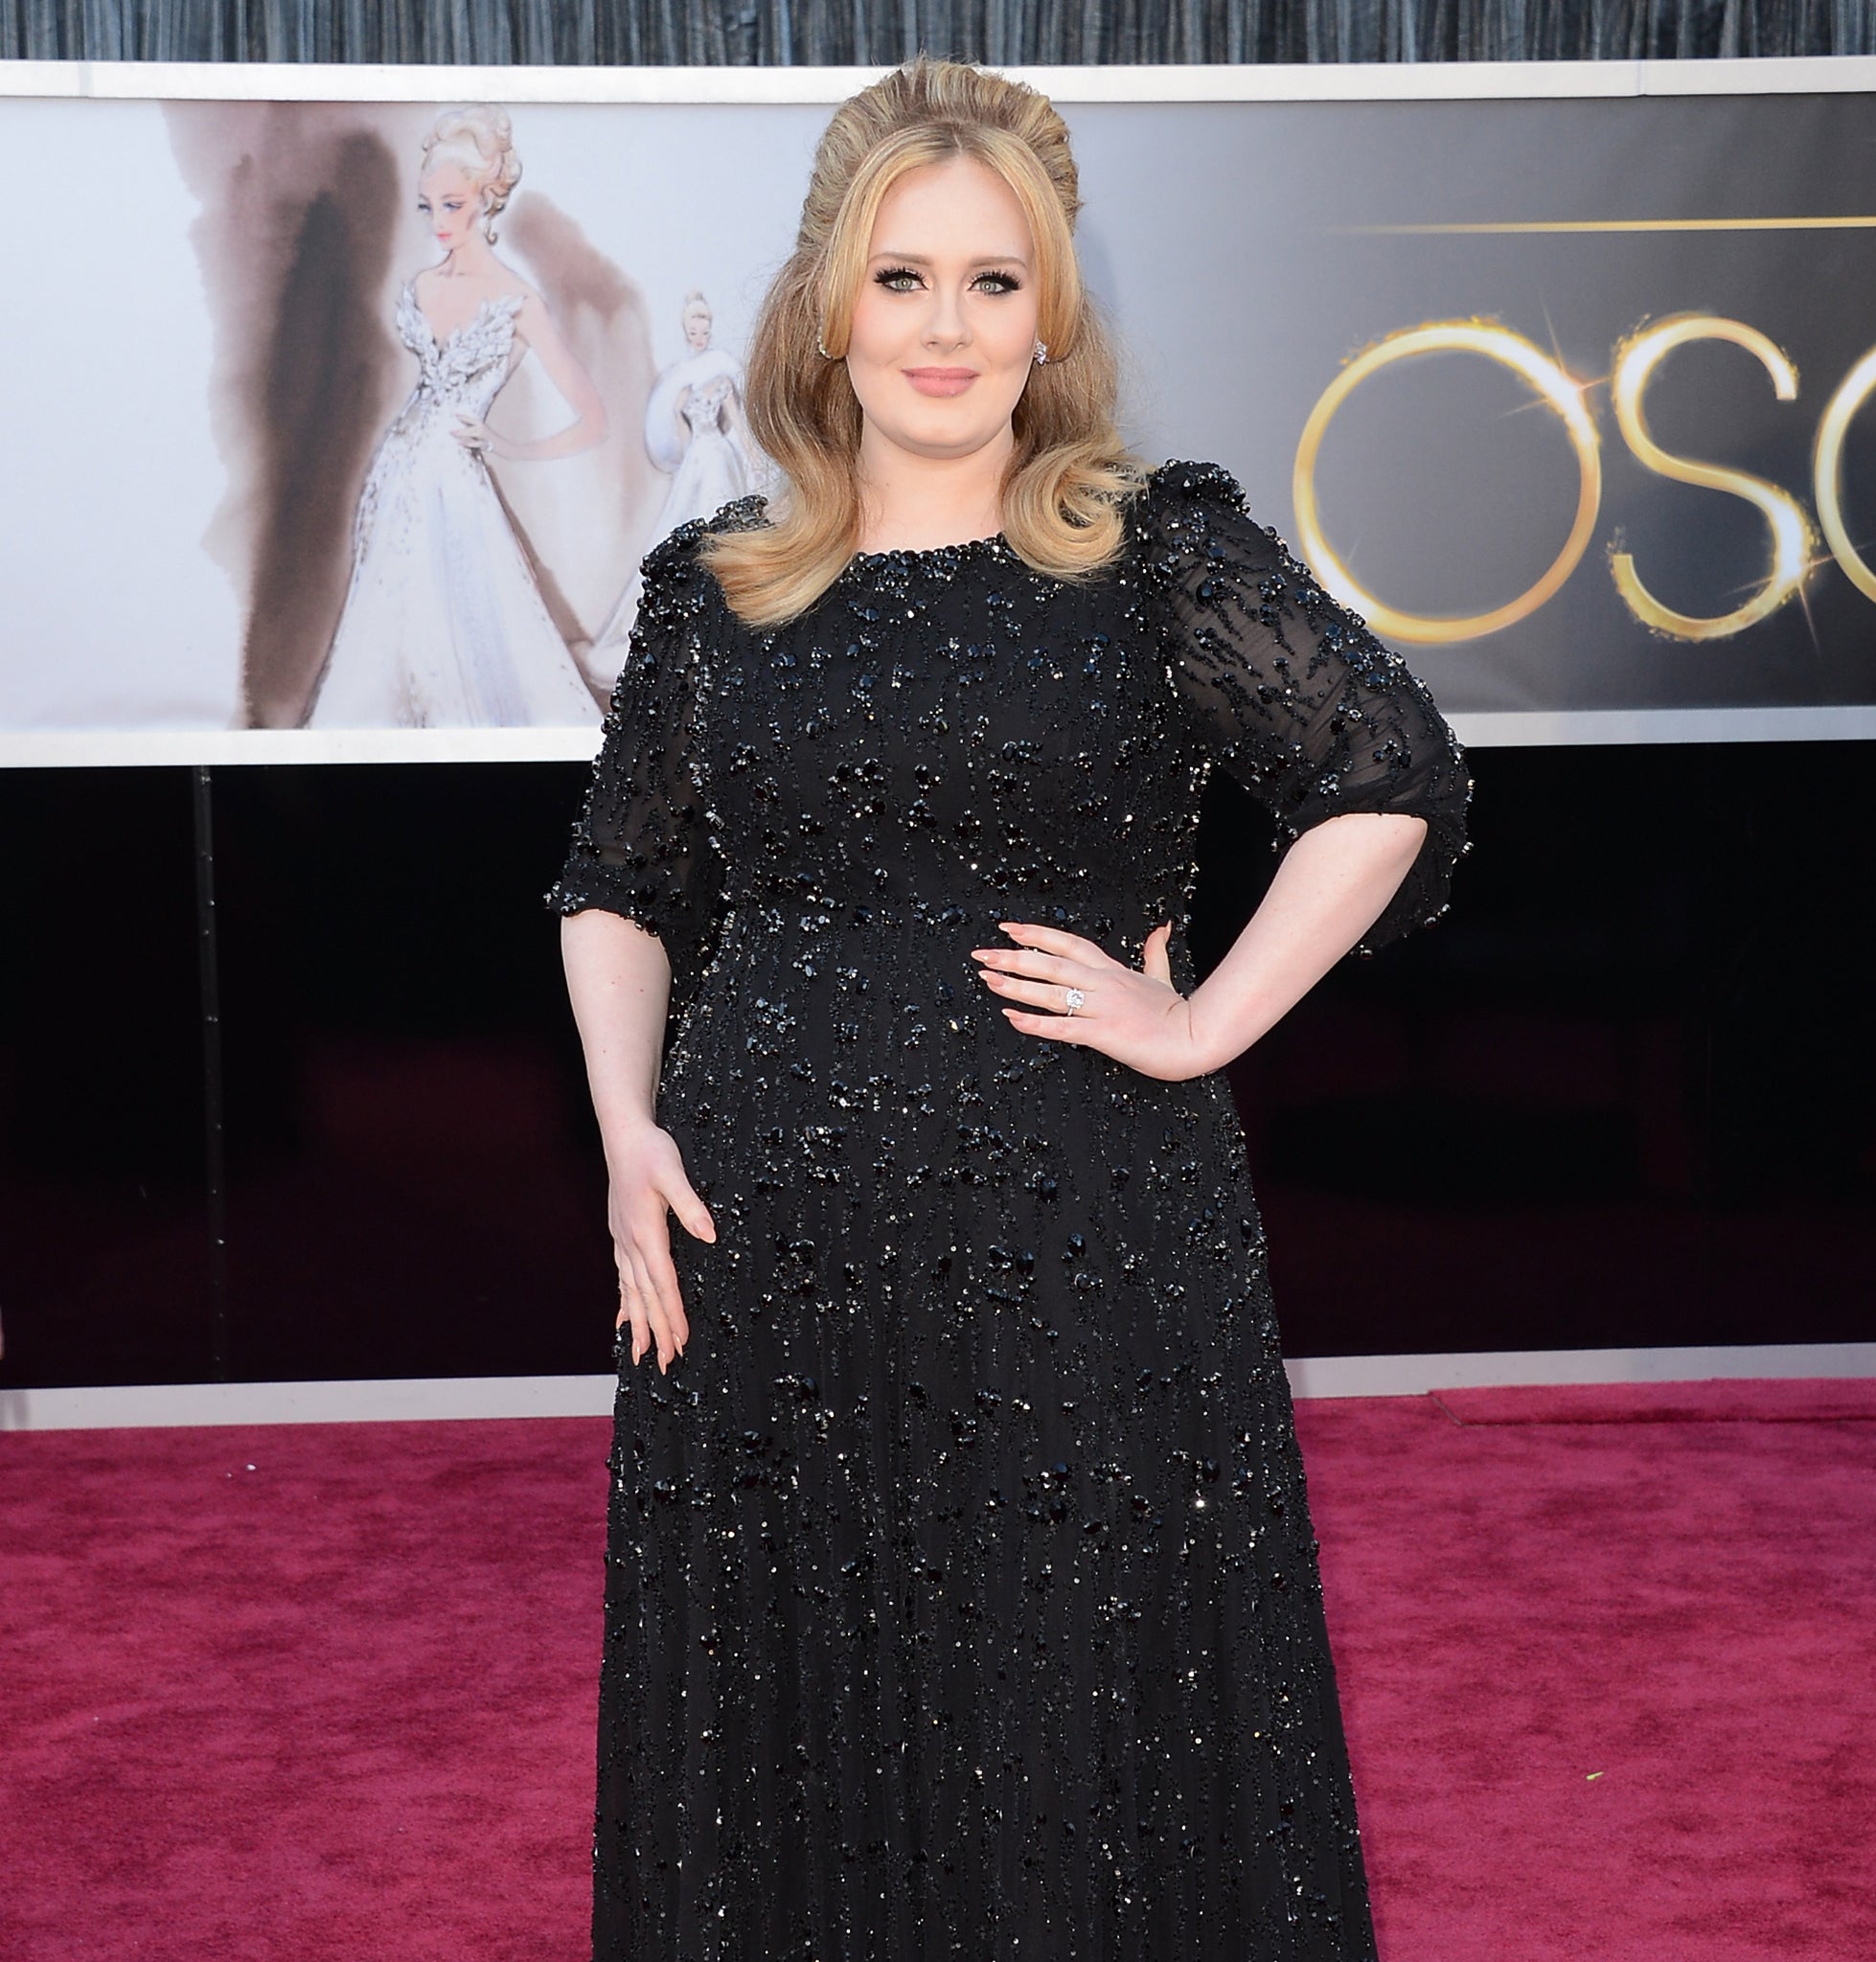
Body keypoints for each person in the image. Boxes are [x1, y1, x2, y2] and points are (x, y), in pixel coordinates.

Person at [549, 57, 1470, 1962]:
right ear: (829, 304)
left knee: (1068, 1706)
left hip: (1082, 1243)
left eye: (991, 279)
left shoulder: (1150, 556)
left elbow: (1386, 775)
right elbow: (619, 888)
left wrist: (1201, 1024)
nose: (946, 328)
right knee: (783, 1711)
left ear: (1050, 309)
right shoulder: (711, 590)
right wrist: (630, 1132)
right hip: (766, 1245)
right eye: (901, 279)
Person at [303, 103, 606, 728]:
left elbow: (592, 419)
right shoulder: (419, 284)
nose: (438, 220)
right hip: (395, 473)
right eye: (428, 205)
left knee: (463, 626)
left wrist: (505, 446)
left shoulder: (520, 301)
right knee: (384, 623)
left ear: (485, 200)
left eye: (452, 204)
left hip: (454, 482)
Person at [586, 290, 765, 689]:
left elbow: (737, 425)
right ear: (685, 330)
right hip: (698, 461)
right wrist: (687, 462)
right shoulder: (679, 385)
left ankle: (729, 628)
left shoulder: (721, 373)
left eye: (703, 324)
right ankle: (692, 628)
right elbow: (683, 442)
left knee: (723, 534)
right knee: (689, 533)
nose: (698, 331)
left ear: (709, 327)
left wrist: (752, 463)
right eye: (691, 325)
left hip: (719, 457)